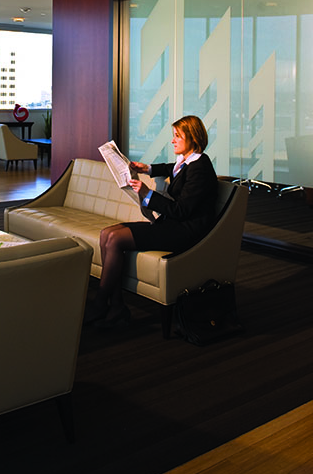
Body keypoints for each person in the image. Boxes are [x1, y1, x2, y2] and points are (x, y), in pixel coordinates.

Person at [86, 115, 217, 328]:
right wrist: (147, 168)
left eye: (177, 136)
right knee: (106, 234)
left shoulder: (200, 167)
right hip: (172, 226)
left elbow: (181, 210)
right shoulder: (186, 162)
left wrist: (147, 194)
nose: (173, 140)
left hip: (184, 232)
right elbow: (171, 169)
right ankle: (117, 306)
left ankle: (101, 302)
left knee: (115, 239)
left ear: (192, 138)